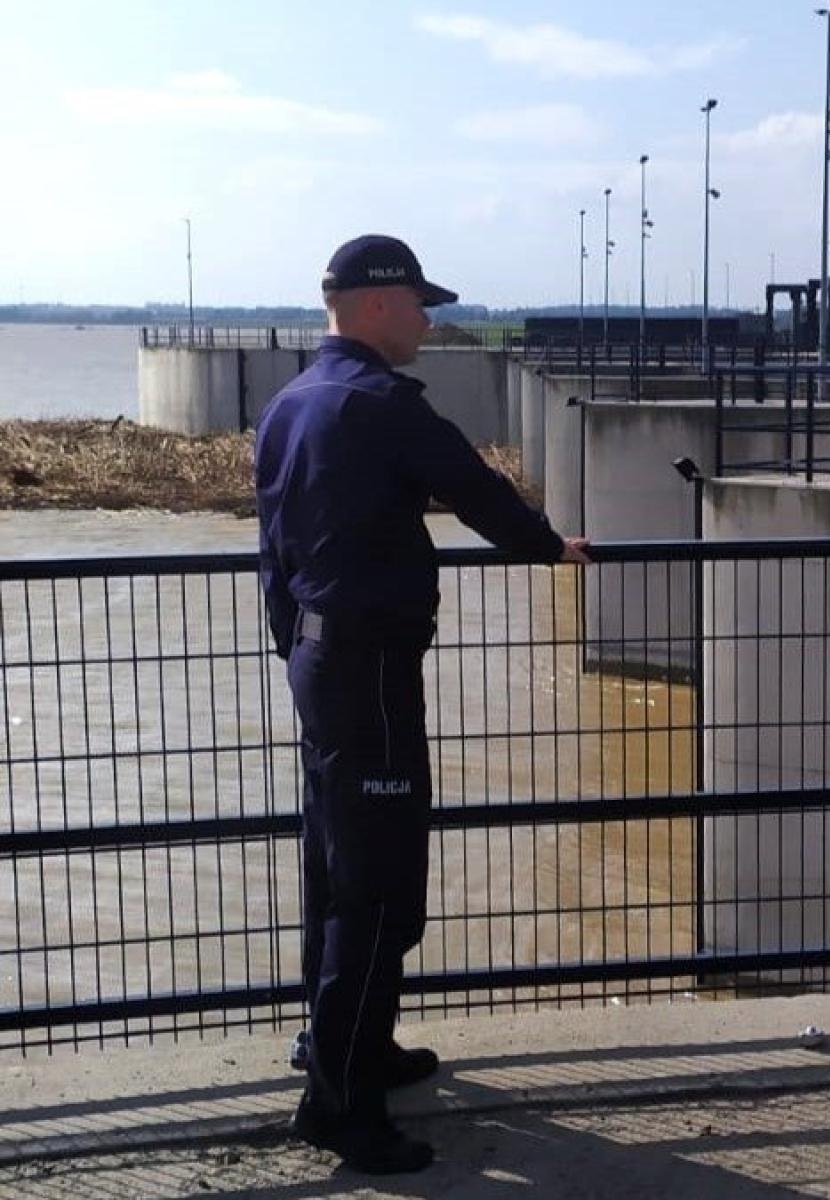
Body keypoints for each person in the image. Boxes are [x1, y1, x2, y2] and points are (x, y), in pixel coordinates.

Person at [255, 234, 589, 1174]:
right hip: (368, 672)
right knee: (379, 884)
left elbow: (271, 553)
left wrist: (299, 649)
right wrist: (546, 546)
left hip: (322, 665)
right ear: (373, 307)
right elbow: (477, 490)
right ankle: (340, 1106)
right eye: (417, 305)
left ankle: (352, 1046)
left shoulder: (288, 404)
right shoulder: (380, 405)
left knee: (336, 865)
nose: (429, 321)